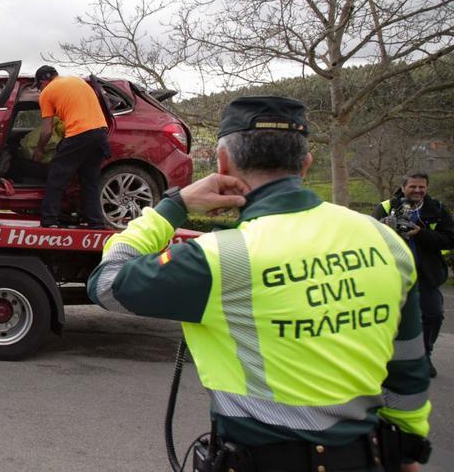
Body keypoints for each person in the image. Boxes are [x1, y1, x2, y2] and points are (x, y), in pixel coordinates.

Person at [88, 96, 431, 471]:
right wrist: (409, 449)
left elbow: (106, 284)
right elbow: (409, 368)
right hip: (368, 458)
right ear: (306, 163)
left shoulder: (221, 259)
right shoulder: (386, 242)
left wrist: (174, 205)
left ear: (222, 164)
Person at [372, 173, 454, 378]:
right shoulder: (385, 207)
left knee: (433, 315)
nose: (418, 191)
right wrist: (386, 228)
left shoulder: (437, 209)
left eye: (422, 187)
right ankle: (388, 358)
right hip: (392, 274)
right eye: (413, 187)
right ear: (403, 186)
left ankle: (424, 356)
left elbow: (450, 239)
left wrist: (420, 233)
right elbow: (369, 237)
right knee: (388, 319)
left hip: (426, 275)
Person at [32, 65, 110, 229]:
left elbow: (47, 130)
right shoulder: (77, 81)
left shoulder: (47, 92)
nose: (39, 90)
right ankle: (95, 223)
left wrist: (38, 151)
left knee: (56, 176)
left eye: (38, 87)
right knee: (90, 181)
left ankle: (49, 220)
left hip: (79, 134)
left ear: (43, 82)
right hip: (100, 134)